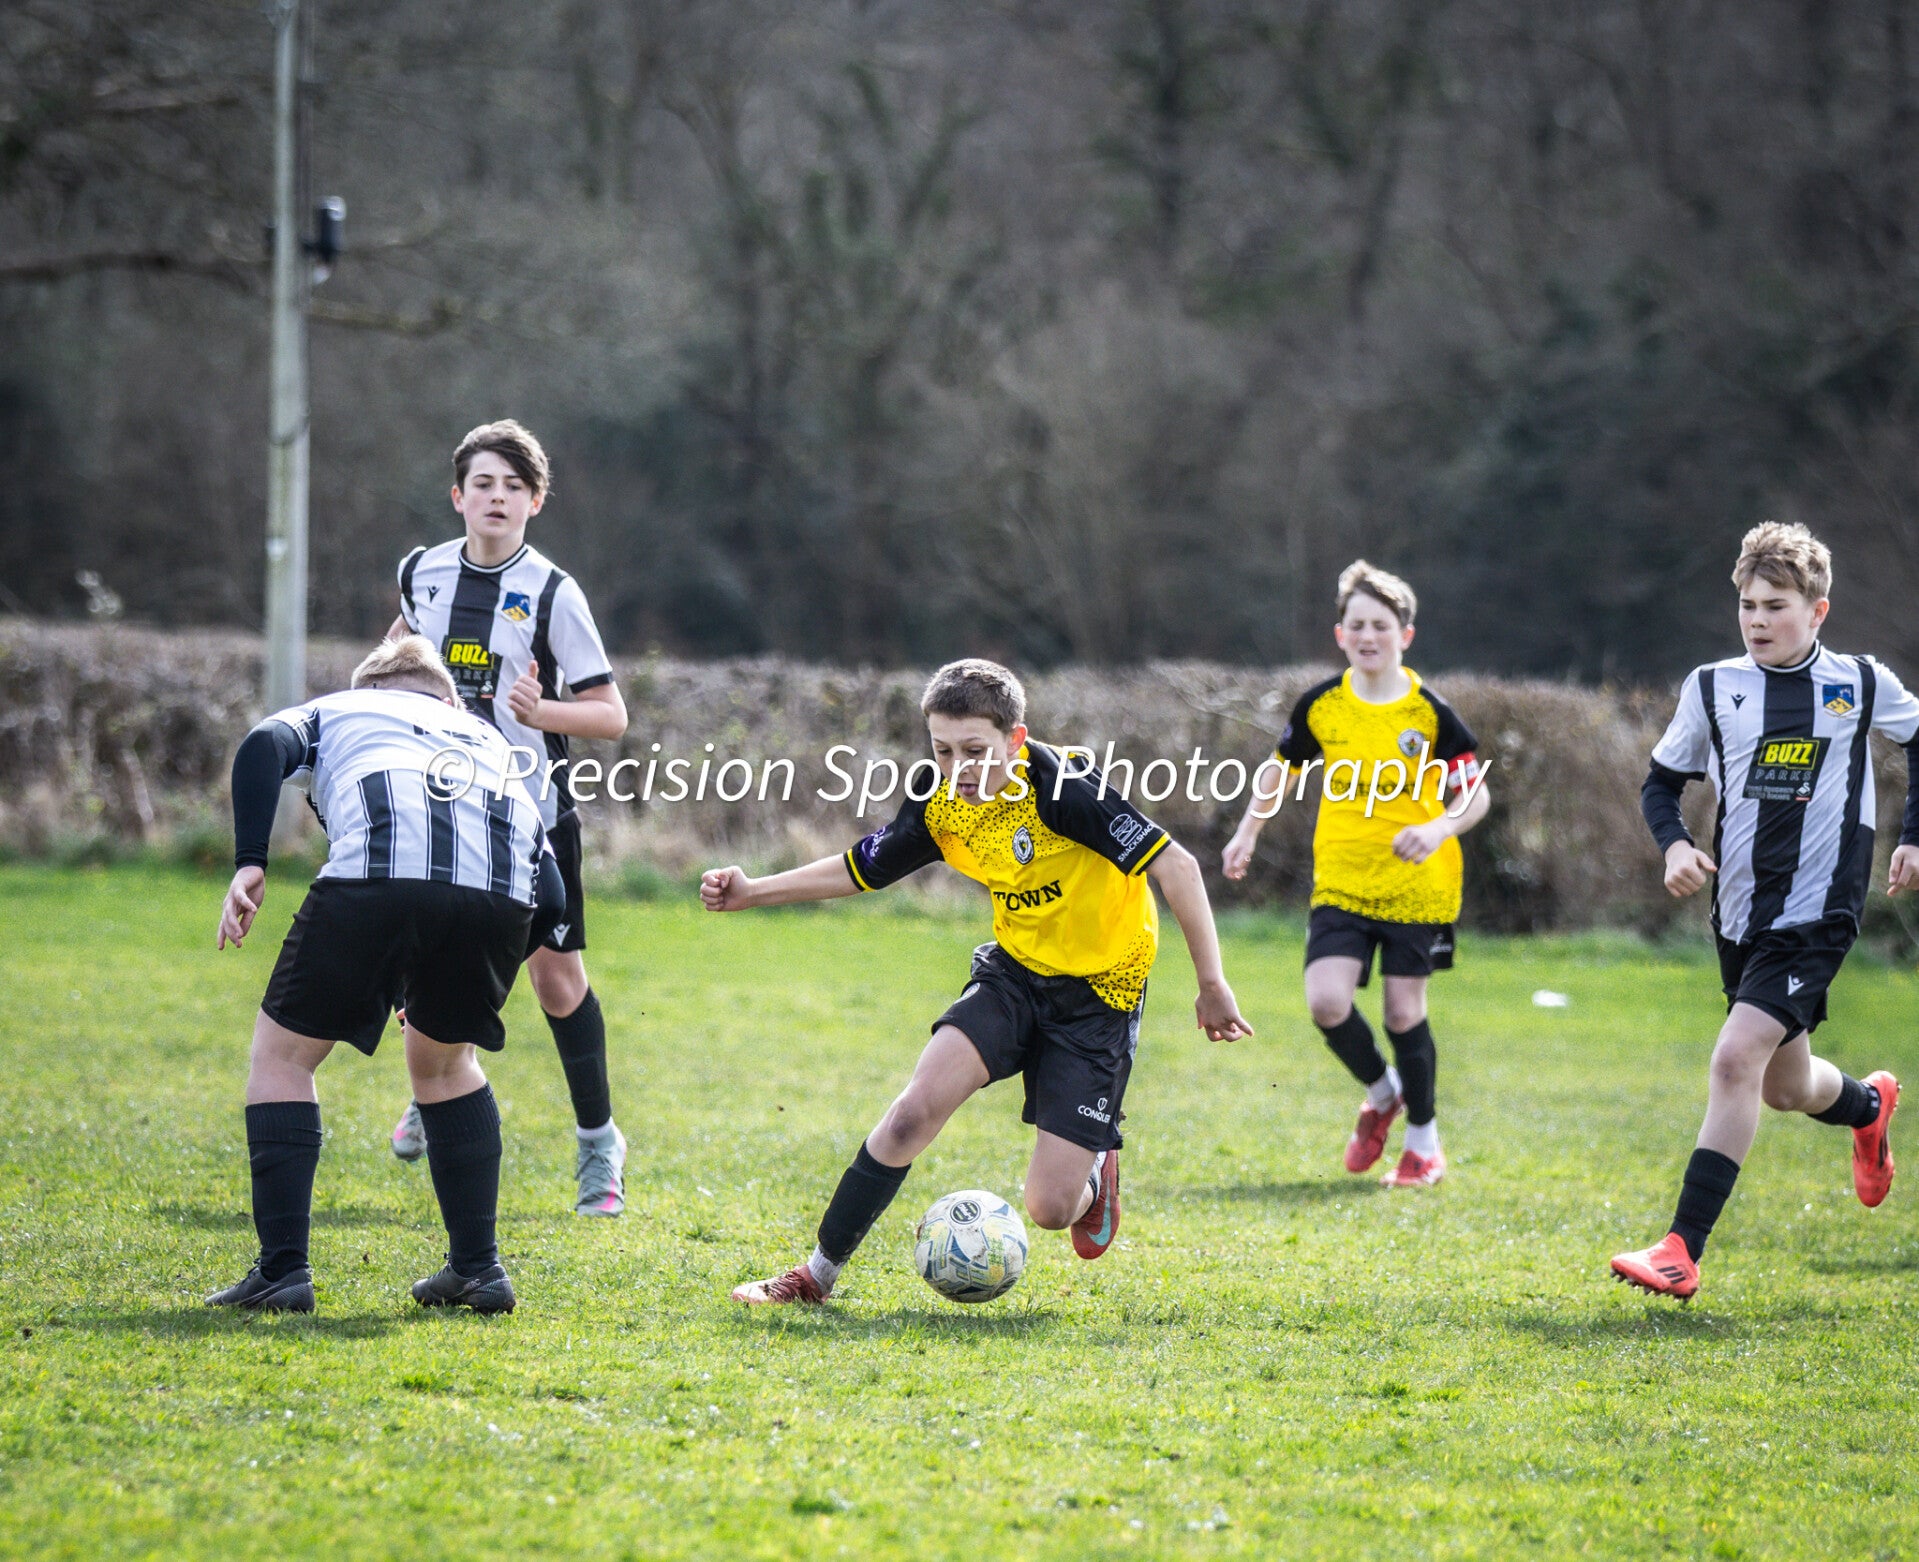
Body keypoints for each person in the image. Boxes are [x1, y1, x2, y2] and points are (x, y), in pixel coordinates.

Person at [703, 658, 1254, 1305]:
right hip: (1014, 976)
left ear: (1013, 741)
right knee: (911, 1114)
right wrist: (752, 893)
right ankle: (812, 1278)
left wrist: (1211, 984)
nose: (959, 767)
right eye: (942, 749)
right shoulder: (941, 803)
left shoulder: (1063, 786)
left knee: (1050, 1209)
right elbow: (862, 868)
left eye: (975, 750)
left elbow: (1179, 868)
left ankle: (1094, 1179)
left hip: (1099, 996)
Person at [208, 636, 562, 1314]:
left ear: (370, 688)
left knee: (282, 1059)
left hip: (376, 877)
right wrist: (457, 972)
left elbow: (261, 744)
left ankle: (282, 1272)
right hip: (496, 899)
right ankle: (478, 1270)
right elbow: (550, 898)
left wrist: (250, 860)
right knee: (446, 1066)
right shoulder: (488, 742)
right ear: (448, 700)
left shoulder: (342, 709)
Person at [1611, 522, 1909, 1300]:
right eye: (1746, 604)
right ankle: (1867, 1105)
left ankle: (1680, 1247)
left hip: (1819, 913)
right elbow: (1659, 785)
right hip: (1738, 914)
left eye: (1774, 605)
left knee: (1732, 1058)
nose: (1755, 619)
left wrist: (1914, 836)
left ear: (1817, 610)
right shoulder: (1713, 686)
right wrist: (1675, 847)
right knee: (1783, 1087)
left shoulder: (1859, 683)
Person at [384, 419, 633, 1217]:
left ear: (535, 502)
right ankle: (436, 1090)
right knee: (430, 960)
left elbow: (611, 715)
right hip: (444, 806)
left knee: (555, 980)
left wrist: (543, 708)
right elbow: (392, 662)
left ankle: (600, 1145)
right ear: (458, 496)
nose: (497, 497)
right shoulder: (421, 573)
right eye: (483, 484)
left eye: (513, 487)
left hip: (533, 812)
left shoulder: (555, 593)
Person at [1222, 561, 1491, 1187]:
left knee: (1403, 1014)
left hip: (1417, 889)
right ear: (1340, 635)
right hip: (1341, 883)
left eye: (1382, 625)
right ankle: (1382, 1090)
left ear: (1406, 635)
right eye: (1357, 625)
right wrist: (1248, 830)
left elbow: (1475, 796)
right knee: (1326, 1001)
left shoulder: (1430, 714)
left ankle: (1423, 1145)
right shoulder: (1323, 705)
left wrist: (1438, 828)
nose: (1369, 636)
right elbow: (1279, 769)